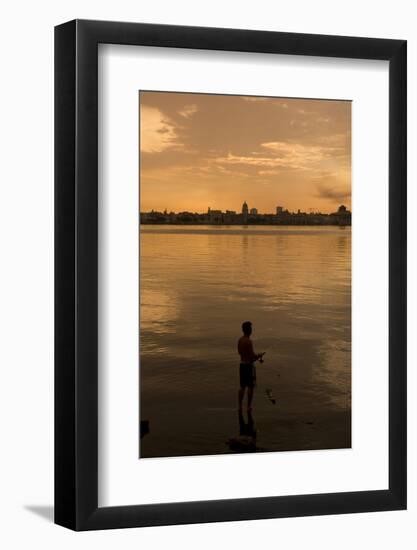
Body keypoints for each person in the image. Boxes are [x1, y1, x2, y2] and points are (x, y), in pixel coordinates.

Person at [237, 321, 265, 411]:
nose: (251, 330)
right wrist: (259, 356)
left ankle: (240, 406)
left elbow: (240, 353)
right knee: (250, 387)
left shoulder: (240, 340)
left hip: (242, 365)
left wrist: (255, 357)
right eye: (250, 328)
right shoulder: (249, 342)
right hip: (248, 367)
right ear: (249, 330)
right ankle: (248, 407)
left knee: (242, 387)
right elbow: (252, 357)